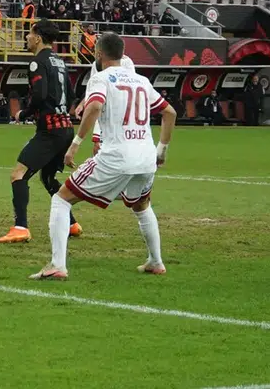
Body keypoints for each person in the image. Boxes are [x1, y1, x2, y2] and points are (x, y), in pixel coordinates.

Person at [30, 31, 176, 281]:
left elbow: (95, 106)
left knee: (61, 199)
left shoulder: (101, 78)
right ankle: (156, 261)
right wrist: (161, 149)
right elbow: (170, 112)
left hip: (117, 155)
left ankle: (57, 265)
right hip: (145, 158)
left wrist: (76, 143)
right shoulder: (141, 80)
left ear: (98, 54)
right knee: (142, 206)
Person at [0, 20, 79, 244]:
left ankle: (21, 227)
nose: (26, 38)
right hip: (66, 128)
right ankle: (71, 223)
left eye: (29, 34)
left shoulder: (37, 63)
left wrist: (24, 114)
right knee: (48, 177)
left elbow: (40, 95)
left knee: (18, 174)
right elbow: (71, 95)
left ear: (38, 38)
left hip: (50, 130)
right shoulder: (61, 62)